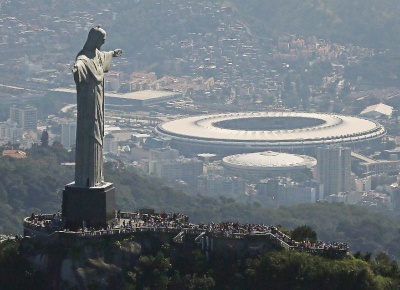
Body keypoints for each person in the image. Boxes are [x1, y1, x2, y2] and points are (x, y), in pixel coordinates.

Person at [72, 26, 122, 187]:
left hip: (98, 100)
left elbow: (102, 56)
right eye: (102, 39)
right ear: (94, 39)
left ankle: (97, 177)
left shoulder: (96, 55)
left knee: (98, 131)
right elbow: (80, 64)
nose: (104, 42)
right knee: (90, 132)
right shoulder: (84, 58)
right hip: (89, 102)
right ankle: (88, 178)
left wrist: (113, 53)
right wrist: (77, 69)